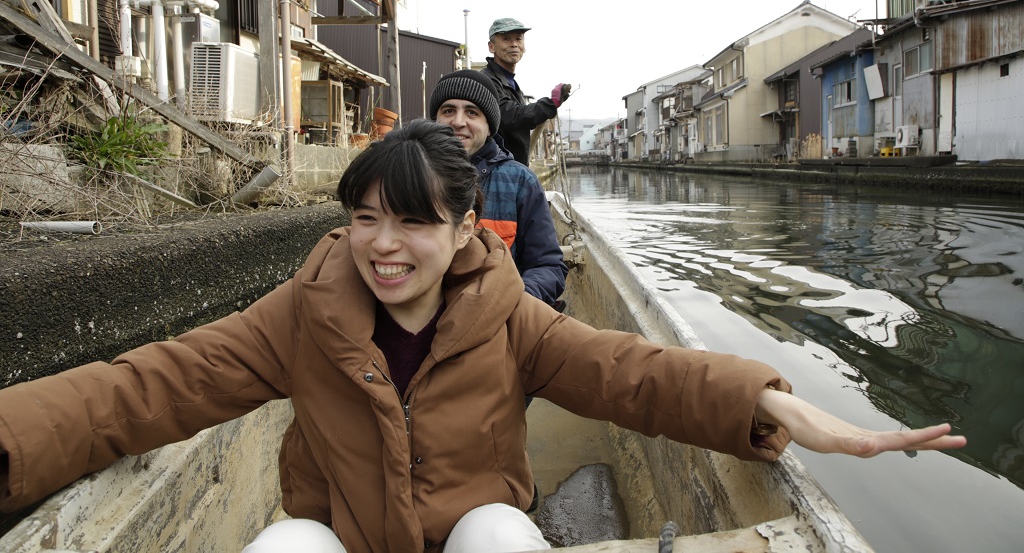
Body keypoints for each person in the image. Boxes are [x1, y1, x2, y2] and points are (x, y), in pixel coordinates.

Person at [0, 121, 966, 553]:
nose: (383, 245)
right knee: (283, 547)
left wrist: (768, 400)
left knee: (503, 534)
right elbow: (148, 387)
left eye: (413, 223)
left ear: (466, 230)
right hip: (341, 539)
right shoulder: (303, 313)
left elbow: (631, 374)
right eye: (365, 216)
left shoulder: (512, 318)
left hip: (471, 536)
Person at [429, 69, 567, 307]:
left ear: (490, 126)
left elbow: (547, 266)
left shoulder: (521, 182)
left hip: (499, 320)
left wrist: (513, 302)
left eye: (472, 112)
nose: (458, 122)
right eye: (448, 110)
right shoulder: (409, 174)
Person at [480, 17, 571, 165]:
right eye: (506, 39)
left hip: (512, 168)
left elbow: (522, 118)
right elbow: (510, 115)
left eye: (518, 39)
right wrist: (550, 103)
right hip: (497, 170)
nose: (514, 44)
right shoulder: (487, 81)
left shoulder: (512, 84)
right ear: (492, 47)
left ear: (524, 46)